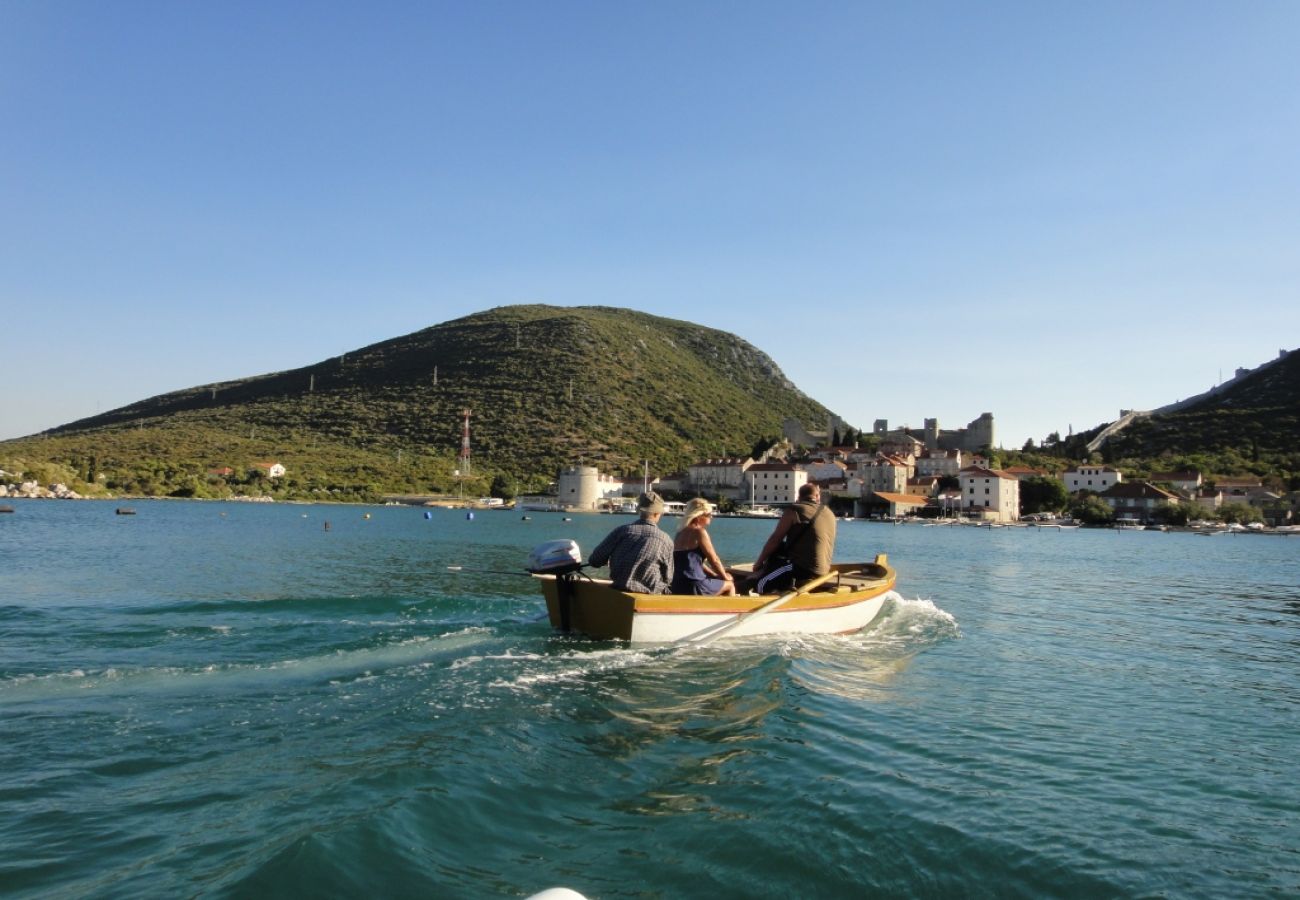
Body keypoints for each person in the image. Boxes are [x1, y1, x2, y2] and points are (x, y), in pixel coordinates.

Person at [752, 483, 836, 594]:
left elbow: (775, 539)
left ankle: (765, 597)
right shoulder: (829, 513)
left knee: (761, 584)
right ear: (817, 496)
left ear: (799, 497)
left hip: (802, 569)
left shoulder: (794, 510)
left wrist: (759, 563)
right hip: (824, 570)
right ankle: (779, 589)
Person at [587, 490, 674, 593]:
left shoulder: (621, 531)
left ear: (640, 511)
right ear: (656, 514)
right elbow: (668, 577)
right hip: (649, 598)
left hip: (618, 592)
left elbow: (594, 560)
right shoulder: (666, 540)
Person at [670, 498, 737, 596]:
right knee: (730, 585)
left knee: (716, 582)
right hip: (695, 585)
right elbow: (714, 560)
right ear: (699, 516)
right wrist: (725, 576)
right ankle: (731, 610)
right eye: (709, 515)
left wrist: (714, 575)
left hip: (677, 585)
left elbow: (693, 562)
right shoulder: (700, 532)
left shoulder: (679, 533)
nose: (711, 517)